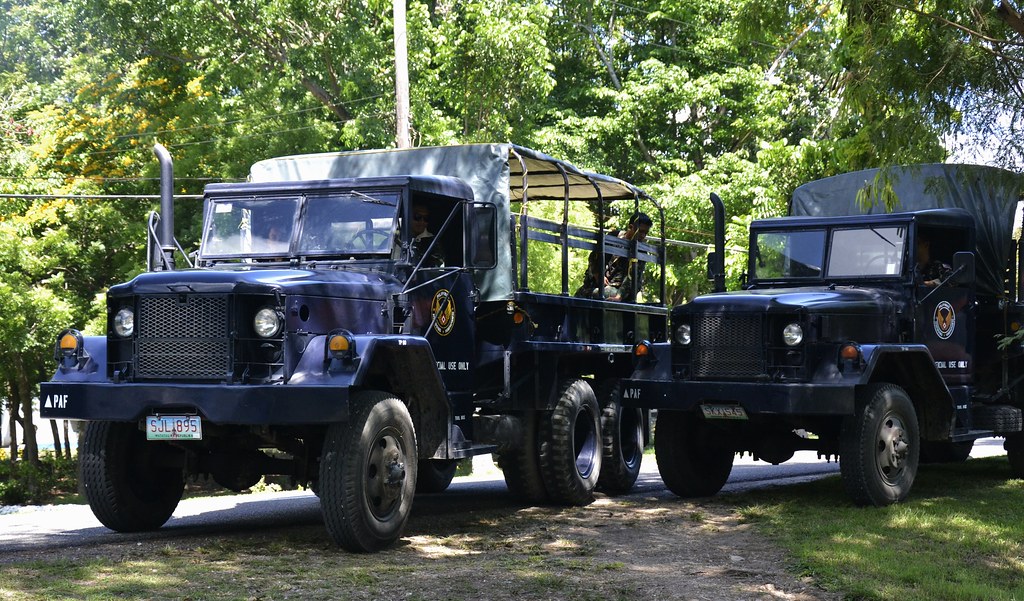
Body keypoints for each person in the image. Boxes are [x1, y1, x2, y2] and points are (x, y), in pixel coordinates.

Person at [576, 212, 653, 302]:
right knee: (579, 295)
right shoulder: (613, 237)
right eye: (640, 231)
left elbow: (633, 277)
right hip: (599, 283)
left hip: (618, 289)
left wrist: (619, 296)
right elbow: (594, 257)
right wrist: (598, 275)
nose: (643, 236)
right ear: (631, 227)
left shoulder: (641, 249)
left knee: (600, 293)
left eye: (646, 233)